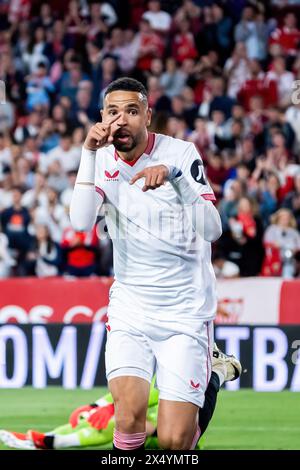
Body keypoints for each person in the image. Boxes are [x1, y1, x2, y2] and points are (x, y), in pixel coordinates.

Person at [69, 77, 222, 450]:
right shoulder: (101, 158)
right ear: (102, 117)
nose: (122, 119)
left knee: (173, 442)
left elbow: (213, 230)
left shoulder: (182, 153)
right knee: (127, 416)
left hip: (185, 311)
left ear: (147, 117)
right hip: (131, 308)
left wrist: (175, 179)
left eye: (132, 111)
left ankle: (210, 380)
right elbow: (79, 222)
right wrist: (88, 154)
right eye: (113, 111)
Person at [0, 345, 242, 450]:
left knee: (175, 435)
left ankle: (218, 372)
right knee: (121, 416)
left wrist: (104, 408)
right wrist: (97, 406)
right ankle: (49, 439)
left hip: (170, 425)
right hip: (152, 426)